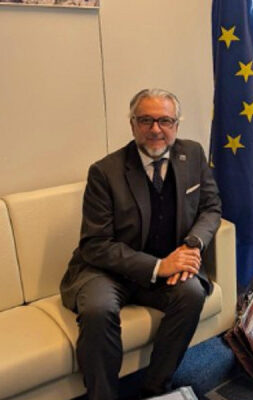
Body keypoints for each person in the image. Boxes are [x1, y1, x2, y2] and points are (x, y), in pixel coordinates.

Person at [60, 88, 222, 400]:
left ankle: (156, 388)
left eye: (165, 120)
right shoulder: (104, 172)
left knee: (191, 293)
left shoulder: (193, 154)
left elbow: (211, 208)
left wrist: (192, 245)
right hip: (107, 271)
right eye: (146, 120)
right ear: (132, 124)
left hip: (167, 265)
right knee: (98, 310)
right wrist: (159, 266)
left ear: (177, 124)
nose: (155, 129)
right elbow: (95, 244)